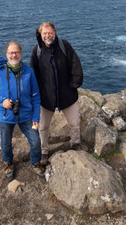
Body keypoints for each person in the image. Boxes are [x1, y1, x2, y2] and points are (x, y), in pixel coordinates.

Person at [0, 40, 44, 179]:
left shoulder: (28, 72)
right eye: (11, 52)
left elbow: (35, 96)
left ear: (21, 53)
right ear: (6, 54)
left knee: (35, 141)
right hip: (6, 115)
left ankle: (36, 163)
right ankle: (8, 163)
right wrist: (2, 101)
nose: (14, 55)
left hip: (26, 115)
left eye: (16, 52)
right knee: (5, 142)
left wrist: (36, 118)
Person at [30, 22, 83, 165]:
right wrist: (34, 94)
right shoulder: (37, 51)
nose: (47, 36)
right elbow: (32, 74)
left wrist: (74, 85)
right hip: (46, 98)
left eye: (50, 33)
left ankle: (75, 143)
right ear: (40, 35)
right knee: (43, 127)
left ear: (54, 32)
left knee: (75, 123)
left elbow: (75, 64)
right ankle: (44, 151)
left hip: (67, 95)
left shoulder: (64, 46)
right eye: (44, 34)